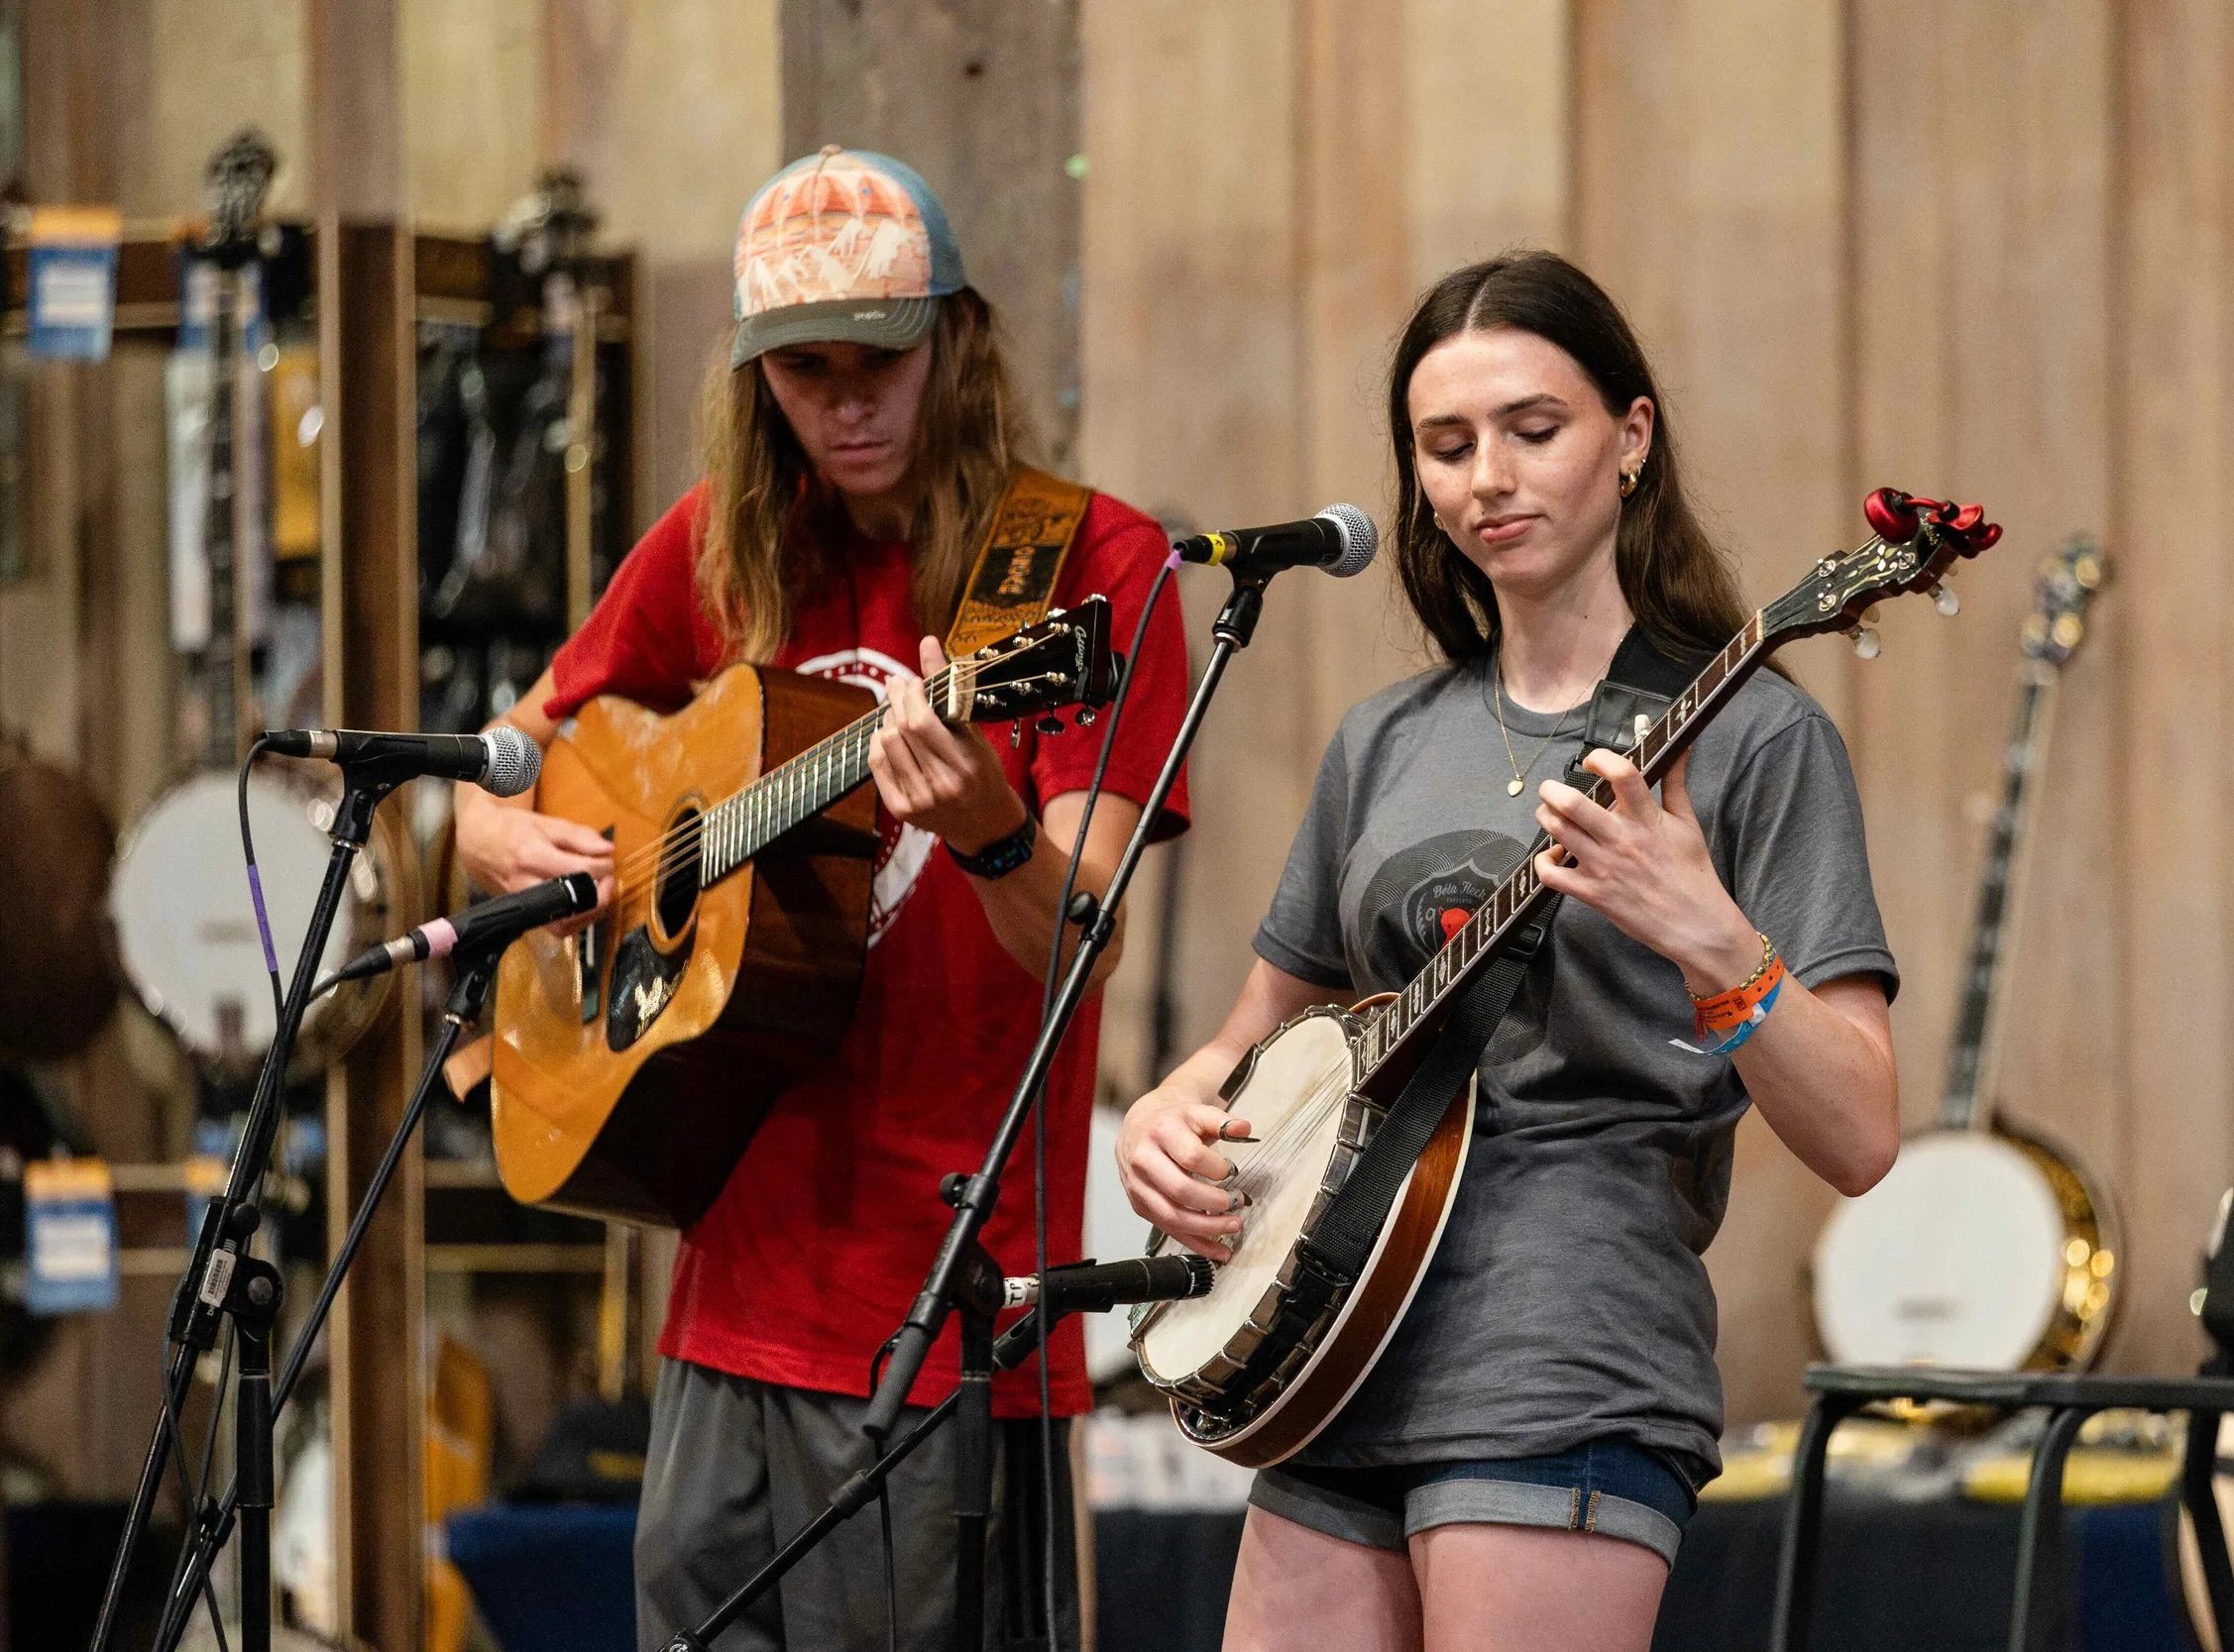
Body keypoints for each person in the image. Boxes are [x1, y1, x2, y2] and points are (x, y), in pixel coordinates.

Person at [454, 147, 1192, 1651]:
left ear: (958, 343)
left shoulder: (1087, 566)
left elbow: (1083, 939)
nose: (846, 404)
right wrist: (485, 821)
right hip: (731, 1281)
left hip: (947, 1310)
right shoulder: (728, 544)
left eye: (881, 361)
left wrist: (991, 834)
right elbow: (526, 745)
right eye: (804, 372)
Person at [1115, 251, 1901, 1651]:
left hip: (1566, 1365)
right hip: (1329, 1345)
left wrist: (1705, 927)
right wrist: (1178, 1111)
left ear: (1632, 439)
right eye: (1448, 444)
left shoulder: (1757, 737)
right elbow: (1253, 1030)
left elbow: (1859, 1128)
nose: (1490, 476)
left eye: (1534, 429)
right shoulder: (1385, 738)